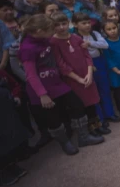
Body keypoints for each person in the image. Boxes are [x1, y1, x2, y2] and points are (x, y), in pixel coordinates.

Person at [19, 14, 103, 155]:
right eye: (51, 29)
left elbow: (66, 44)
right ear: (40, 31)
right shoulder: (27, 48)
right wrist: (42, 94)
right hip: (41, 90)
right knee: (53, 118)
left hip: (57, 83)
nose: (54, 31)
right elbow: (31, 75)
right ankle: (65, 143)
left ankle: (83, 137)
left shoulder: (45, 40)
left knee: (77, 104)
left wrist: (82, 45)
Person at [50, 12, 110, 137]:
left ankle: (97, 126)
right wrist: (78, 79)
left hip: (87, 75)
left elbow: (87, 56)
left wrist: (89, 73)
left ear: (69, 23)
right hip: (73, 78)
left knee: (92, 102)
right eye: (57, 25)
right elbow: (61, 65)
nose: (62, 27)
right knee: (81, 104)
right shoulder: (54, 42)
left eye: (64, 23)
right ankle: (89, 129)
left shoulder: (76, 38)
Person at [74, 12, 120, 123]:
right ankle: (100, 119)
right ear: (76, 25)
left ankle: (110, 113)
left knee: (105, 89)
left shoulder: (94, 34)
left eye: (88, 23)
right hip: (87, 66)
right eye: (83, 23)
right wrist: (89, 65)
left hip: (100, 62)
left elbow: (105, 45)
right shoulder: (75, 37)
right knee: (94, 93)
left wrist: (90, 43)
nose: (87, 25)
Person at [0, 68, 30, 186]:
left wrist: (15, 96)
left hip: (6, 113)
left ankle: (11, 164)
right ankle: (3, 171)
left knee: (10, 139)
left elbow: (14, 85)